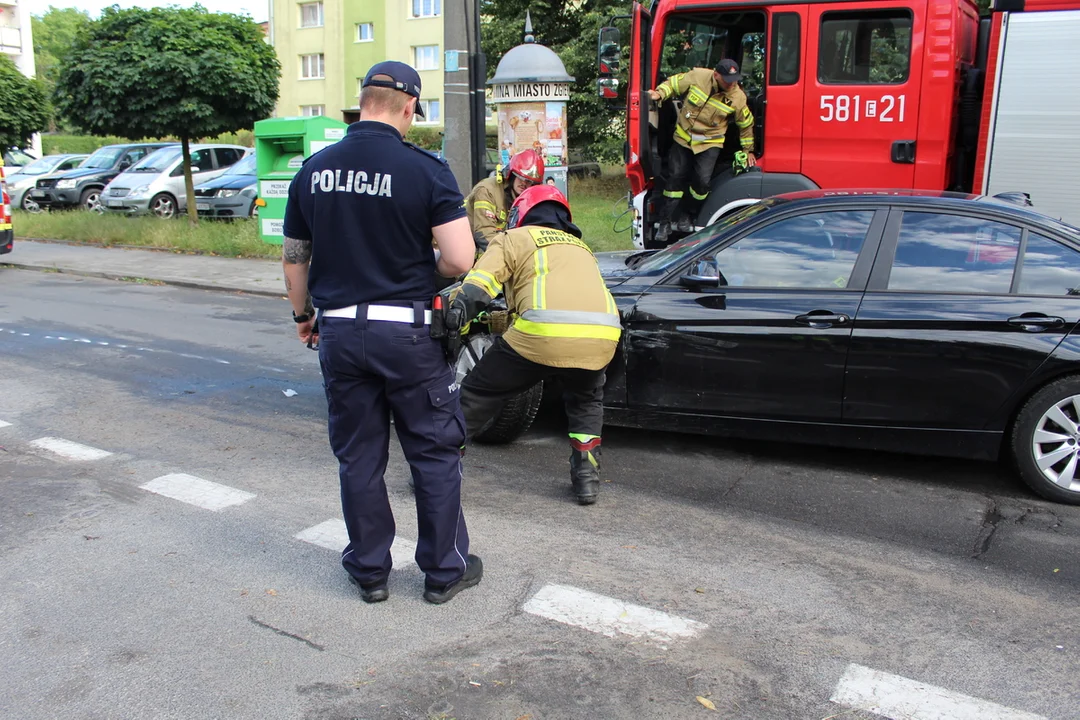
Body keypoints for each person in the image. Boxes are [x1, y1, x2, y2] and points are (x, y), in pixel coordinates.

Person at [281, 60, 483, 606]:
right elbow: (461, 257)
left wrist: (303, 317)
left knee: (360, 457)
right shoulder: (426, 170)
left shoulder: (314, 170)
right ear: (410, 108)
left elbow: (295, 259)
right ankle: (443, 572)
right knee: (434, 452)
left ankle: (370, 570)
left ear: (363, 100)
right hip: (407, 336)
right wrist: (422, 268)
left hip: (342, 334)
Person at [448, 185, 621, 505]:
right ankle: (586, 479)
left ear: (520, 214)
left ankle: (438, 470)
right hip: (602, 336)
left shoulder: (513, 238)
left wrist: (453, 321)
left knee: (478, 392)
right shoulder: (582, 248)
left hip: (539, 334)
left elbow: (478, 286)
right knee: (586, 401)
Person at [648, 59, 756, 245]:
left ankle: (687, 215)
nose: (732, 83)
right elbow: (674, 84)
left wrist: (748, 150)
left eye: (734, 79)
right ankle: (664, 222)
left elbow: (745, 125)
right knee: (675, 177)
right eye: (727, 79)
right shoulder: (698, 76)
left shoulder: (738, 97)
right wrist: (660, 93)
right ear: (716, 75)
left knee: (702, 182)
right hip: (683, 138)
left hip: (710, 142)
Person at [464, 149, 544, 253]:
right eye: (520, 177)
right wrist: (513, 255)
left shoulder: (525, 198)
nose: (524, 183)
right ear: (511, 174)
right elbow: (484, 234)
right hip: (465, 253)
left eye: (529, 181)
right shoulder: (487, 190)